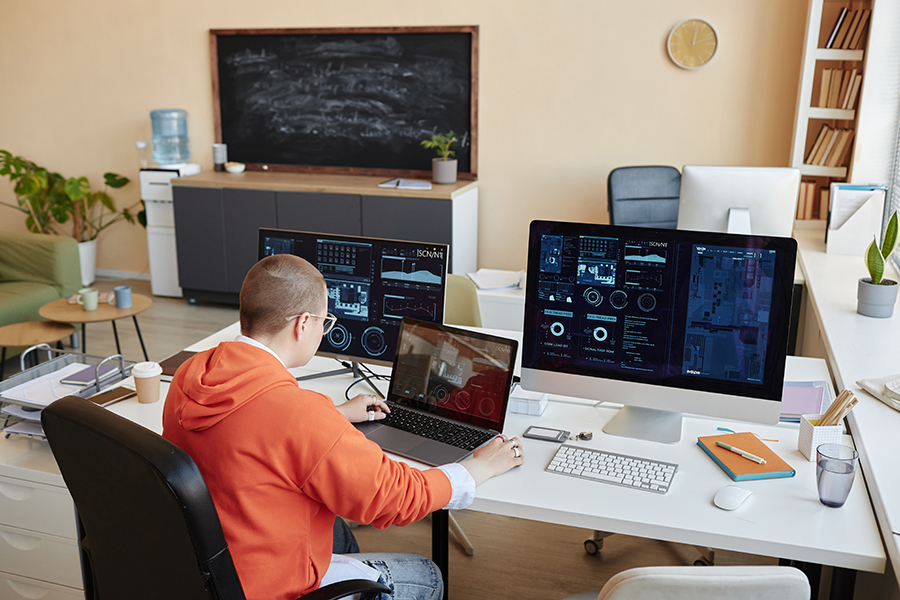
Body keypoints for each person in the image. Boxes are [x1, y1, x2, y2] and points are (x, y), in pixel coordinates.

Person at [162, 254, 524, 600]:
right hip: (274, 587)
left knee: (336, 530)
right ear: (303, 323)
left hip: (209, 567)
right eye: (325, 321)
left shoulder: (192, 373)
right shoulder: (300, 416)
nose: (324, 330)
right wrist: (478, 468)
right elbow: (395, 498)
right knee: (427, 575)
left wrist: (333, 414)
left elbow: (254, 428)